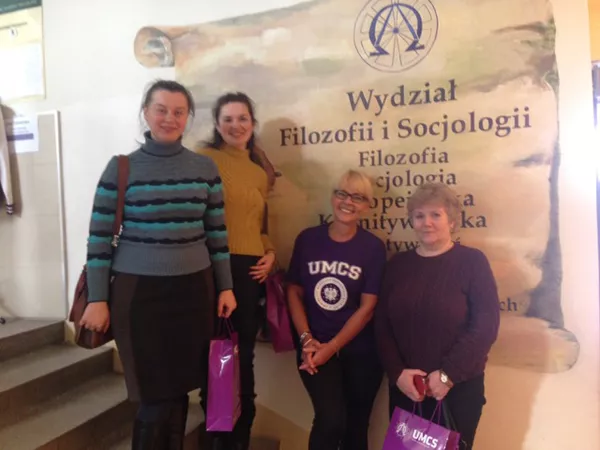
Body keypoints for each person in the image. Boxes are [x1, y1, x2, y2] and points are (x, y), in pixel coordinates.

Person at [79, 79, 237, 450]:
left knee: (180, 389)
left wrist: (226, 286)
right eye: (161, 109)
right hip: (139, 295)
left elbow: (217, 234)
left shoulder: (204, 168)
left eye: (178, 112)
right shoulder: (121, 168)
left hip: (194, 292)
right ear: (146, 113)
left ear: (188, 117)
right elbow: (98, 240)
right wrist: (98, 299)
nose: (169, 118)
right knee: (153, 396)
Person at [375, 182, 500, 450]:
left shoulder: (472, 262)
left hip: (457, 391)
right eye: (419, 216)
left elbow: (485, 326)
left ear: (452, 220)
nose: (427, 223)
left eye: (435, 215)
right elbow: (382, 325)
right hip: (408, 390)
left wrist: (447, 375)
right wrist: (397, 373)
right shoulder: (397, 265)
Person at [197, 92, 276, 450]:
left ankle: (239, 438)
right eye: (227, 119)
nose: (235, 125)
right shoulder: (204, 159)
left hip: (251, 271)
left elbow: (258, 226)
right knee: (219, 358)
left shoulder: (259, 172)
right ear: (217, 124)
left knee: (243, 355)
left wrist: (270, 253)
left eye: (242, 118)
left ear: (253, 123)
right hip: (217, 266)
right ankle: (220, 438)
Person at [286, 170, 386, 450]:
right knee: (330, 421)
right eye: (342, 193)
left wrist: (332, 347)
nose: (348, 202)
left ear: (367, 205)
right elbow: (293, 291)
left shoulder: (373, 248)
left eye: (358, 197)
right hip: (313, 346)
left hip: (361, 350)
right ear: (332, 197)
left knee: (356, 425)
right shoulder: (308, 239)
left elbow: (367, 308)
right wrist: (306, 339)